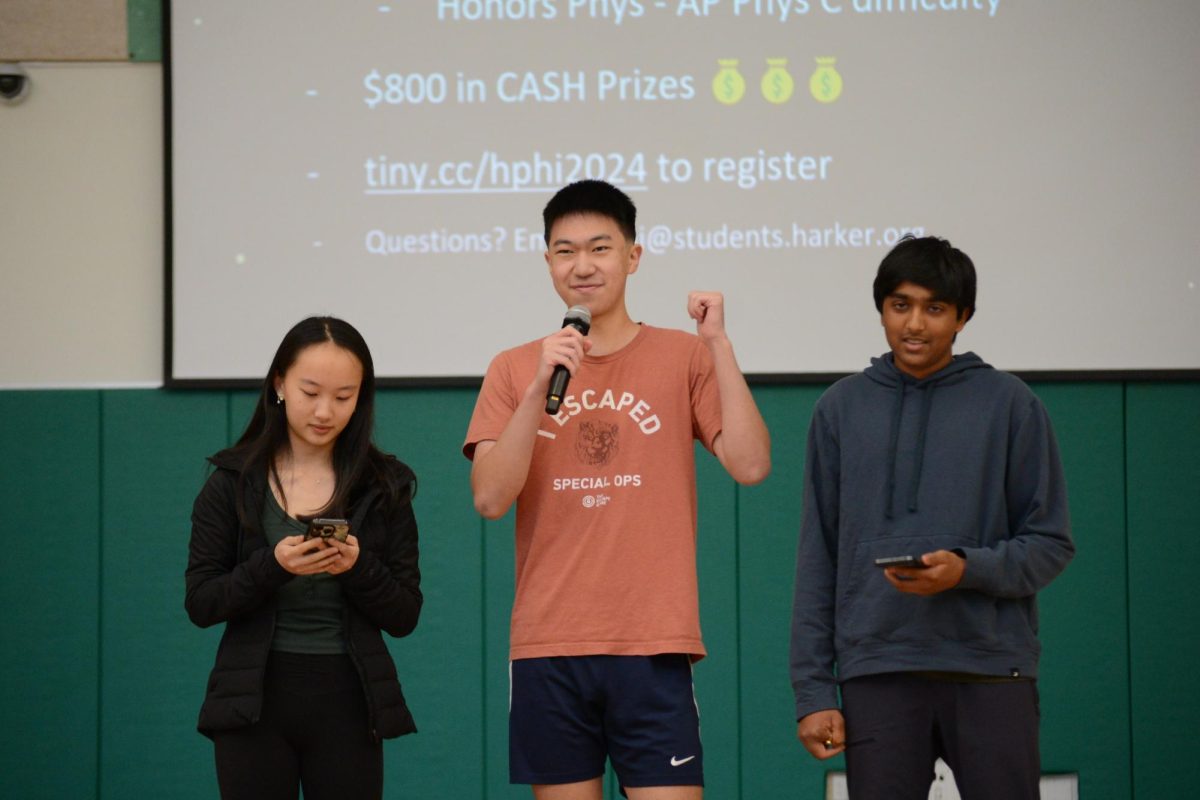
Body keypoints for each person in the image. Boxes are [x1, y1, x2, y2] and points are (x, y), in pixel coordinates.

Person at [463, 180, 771, 800]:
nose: (582, 266)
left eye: (600, 248)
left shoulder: (682, 356)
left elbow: (750, 463)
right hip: (551, 643)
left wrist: (718, 345)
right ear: (547, 260)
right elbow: (491, 499)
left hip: (652, 641)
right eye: (564, 250)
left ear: (633, 256)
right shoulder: (515, 366)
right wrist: (536, 390)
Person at [789, 236, 1075, 799]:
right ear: (881, 309)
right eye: (900, 305)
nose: (915, 324)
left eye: (935, 308)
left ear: (963, 317)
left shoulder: (1012, 405)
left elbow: (1050, 543)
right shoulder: (839, 409)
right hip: (878, 672)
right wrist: (814, 692)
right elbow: (817, 559)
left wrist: (966, 570)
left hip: (992, 670)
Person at [185, 316, 421, 800]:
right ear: (279, 385)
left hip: (349, 700)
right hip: (253, 701)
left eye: (343, 396)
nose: (324, 411)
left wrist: (357, 568)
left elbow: (405, 614)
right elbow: (202, 602)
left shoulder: (384, 485)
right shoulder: (232, 482)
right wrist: (274, 566)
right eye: (310, 391)